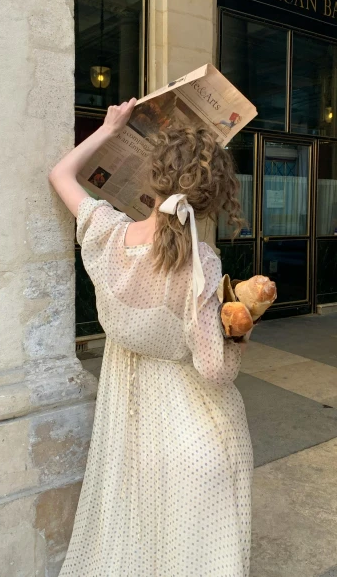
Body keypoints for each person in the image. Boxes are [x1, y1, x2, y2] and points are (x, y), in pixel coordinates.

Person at [49, 99, 254, 577]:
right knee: (192, 544)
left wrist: (109, 127)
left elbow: (61, 175)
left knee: (137, 527)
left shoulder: (107, 234)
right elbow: (215, 368)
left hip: (128, 415)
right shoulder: (201, 264)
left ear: (151, 178)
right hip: (191, 418)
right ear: (213, 197)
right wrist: (239, 331)